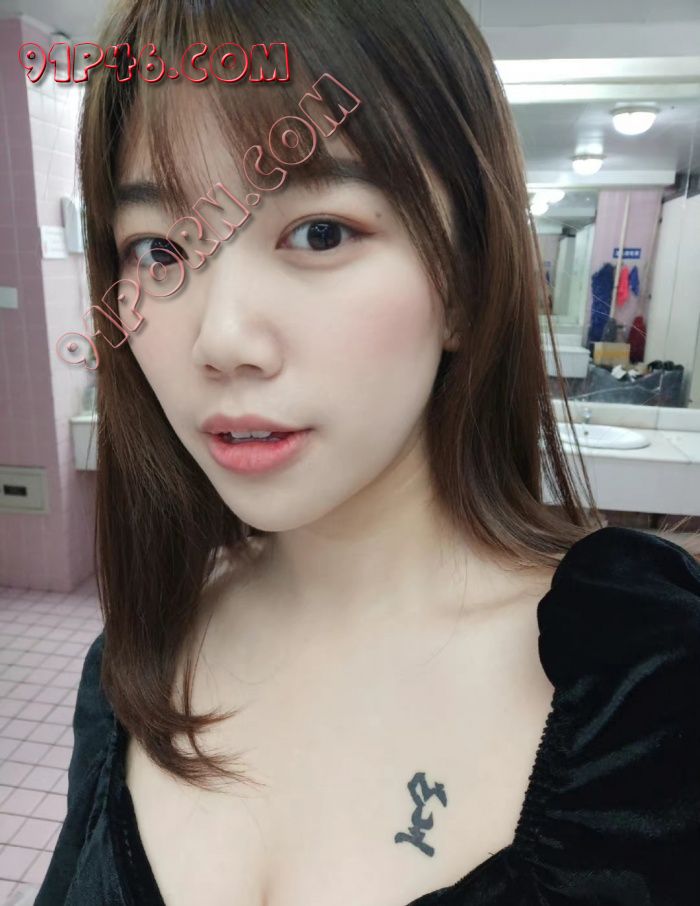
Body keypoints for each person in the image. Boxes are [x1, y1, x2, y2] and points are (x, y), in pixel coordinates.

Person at [36, 0, 700, 904]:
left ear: (466, 279)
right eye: (157, 251)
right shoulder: (133, 665)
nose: (221, 340)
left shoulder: (652, 688)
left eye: (320, 233)